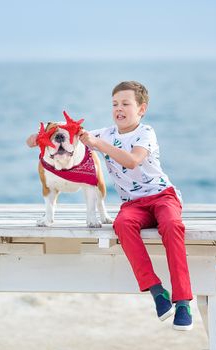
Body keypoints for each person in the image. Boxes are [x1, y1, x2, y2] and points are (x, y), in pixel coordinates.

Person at [78, 81, 193, 330]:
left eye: (125, 104)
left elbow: (132, 161)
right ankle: (156, 290)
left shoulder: (145, 132)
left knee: (172, 225)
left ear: (141, 109)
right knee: (122, 224)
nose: (119, 108)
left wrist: (97, 144)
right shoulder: (105, 134)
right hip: (133, 204)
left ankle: (183, 300)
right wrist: (38, 138)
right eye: (115, 104)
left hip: (163, 196)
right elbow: (73, 136)